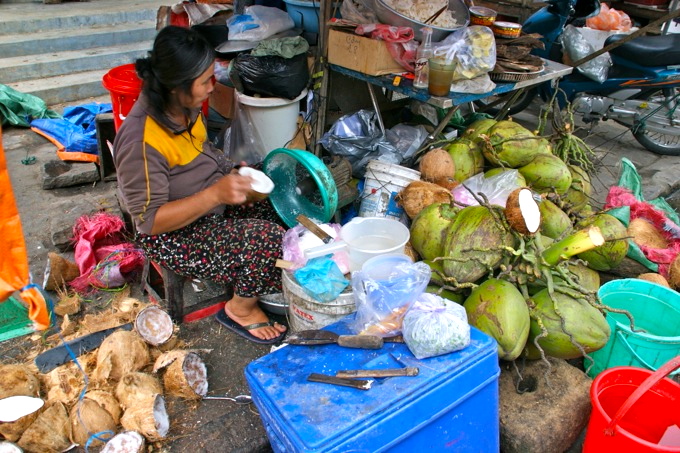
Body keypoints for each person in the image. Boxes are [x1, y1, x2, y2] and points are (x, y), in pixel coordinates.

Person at [113, 26, 287, 344]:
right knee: (269, 238)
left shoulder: (184, 109)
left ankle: (252, 276)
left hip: (207, 204)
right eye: (206, 80)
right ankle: (241, 308)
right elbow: (149, 222)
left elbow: (205, 151)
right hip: (172, 236)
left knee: (277, 198)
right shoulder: (140, 140)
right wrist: (216, 194)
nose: (213, 85)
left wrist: (233, 172)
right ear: (177, 86)